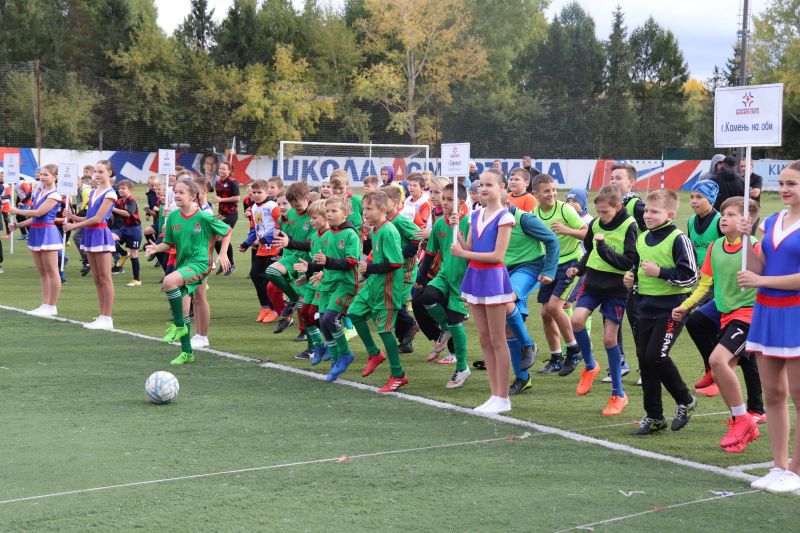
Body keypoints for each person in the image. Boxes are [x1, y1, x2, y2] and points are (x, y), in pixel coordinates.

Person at [673, 197, 763, 453]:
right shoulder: (715, 247)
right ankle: (743, 425)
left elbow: (766, 278)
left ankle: (744, 419)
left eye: (732, 215)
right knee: (722, 375)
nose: (724, 218)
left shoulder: (754, 247)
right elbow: (705, 284)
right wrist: (686, 306)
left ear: (747, 220)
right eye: (724, 214)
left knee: (717, 361)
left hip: (750, 315)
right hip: (726, 315)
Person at [739, 160, 800, 492]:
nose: (785, 189)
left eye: (793, 184)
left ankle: (796, 471)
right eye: (783, 183)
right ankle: (779, 466)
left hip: (796, 314)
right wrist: (745, 238)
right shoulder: (772, 221)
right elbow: (759, 266)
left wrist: (761, 280)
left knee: (799, 395)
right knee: (773, 394)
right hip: (767, 312)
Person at [623, 190, 698, 435]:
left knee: (656, 356)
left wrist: (661, 273)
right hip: (646, 308)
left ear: (670, 215)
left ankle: (686, 400)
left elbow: (691, 277)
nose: (647, 215)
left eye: (654, 211)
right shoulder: (643, 238)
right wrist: (631, 279)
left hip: (672, 309)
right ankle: (654, 416)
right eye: (646, 210)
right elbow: (638, 269)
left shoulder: (679, 239)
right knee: (645, 361)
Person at [567, 185, 638, 415]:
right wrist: (579, 268)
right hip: (593, 284)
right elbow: (590, 252)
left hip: (616, 289)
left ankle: (618, 395)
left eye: (605, 212)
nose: (601, 216)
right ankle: (590, 366)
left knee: (609, 340)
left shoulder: (630, 225)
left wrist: (603, 247)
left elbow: (627, 262)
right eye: (598, 211)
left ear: (617, 207)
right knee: (576, 320)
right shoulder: (596, 224)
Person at [145, 178, 232, 365]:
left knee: (169, 281)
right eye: (175, 192)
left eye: (181, 192)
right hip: (184, 264)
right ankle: (187, 352)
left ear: (193, 196)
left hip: (201, 263)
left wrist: (223, 253)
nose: (176, 195)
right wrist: (156, 248)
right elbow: (169, 243)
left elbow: (227, 231)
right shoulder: (173, 217)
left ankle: (182, 328)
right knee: (185, 307)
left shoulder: (203, 216)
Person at [451, 168, 515, 414]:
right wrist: (456, 231)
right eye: (481, 185)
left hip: (493, 279)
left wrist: (463, 253)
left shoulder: (505, 217)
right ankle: (494, 394)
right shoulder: (475, 215)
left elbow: (497, 256)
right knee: (484, 338)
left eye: (490, 184)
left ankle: (503, 397)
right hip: (475, 278)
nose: (484, 189)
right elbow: (469, 246)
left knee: (498, 339)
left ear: (501, 188)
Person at [347, 191, 409, 391]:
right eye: (363, 208)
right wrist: (369, 266)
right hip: (374, 285)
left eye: (369, 208)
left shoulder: (388, 230)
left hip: (387, 288)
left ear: (382, 210)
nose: (364, 212)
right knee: (354, 313)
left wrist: (370, 268)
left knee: (384, 330)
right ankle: (374, 353)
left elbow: (396, 263)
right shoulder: (375, 229)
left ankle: (398, 375)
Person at [414, 183, 472, 387]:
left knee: (456, 322)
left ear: (461, 203)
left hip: (463, 281)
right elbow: (430, 253)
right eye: (444, 199)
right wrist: (421, 278)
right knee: (426, 297)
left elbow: (473, 253)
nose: (444, 202)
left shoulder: (470, 223)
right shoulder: (439, 224)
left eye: (450, 200)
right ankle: (444, 330)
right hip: (445, 275)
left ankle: (462, 368)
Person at [532, 174, 588, 376]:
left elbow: (587, 233)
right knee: (545, 313)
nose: (552, 194)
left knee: (555, 306)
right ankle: (556, 358)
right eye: (547, 191)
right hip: (550, 265)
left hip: (571, 263)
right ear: (536, 194)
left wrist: (566, 230)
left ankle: (574, 350)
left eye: (554, 190)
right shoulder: (534, 214)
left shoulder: (565, 209)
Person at [503, 195, 559, 395]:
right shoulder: (485, 217)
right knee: (508, 328)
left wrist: (549, 270)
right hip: (503, 270)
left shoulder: (525, 219)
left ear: (506, 204)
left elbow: (552, 240)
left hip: (529, 267)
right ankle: (523, 378)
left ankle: (528, 345)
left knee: (505, 299)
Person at [63, 160, 118, 330]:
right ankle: (102, 315)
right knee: (97, 278)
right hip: (90, 234)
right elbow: (89, 217)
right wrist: (73, 217)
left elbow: (98, 219)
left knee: (105, 278)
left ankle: (107, 317)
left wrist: (73, 226)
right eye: (96, 171)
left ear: (109, 173)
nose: (97, 175)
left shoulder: (110, 193)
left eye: (101, 171)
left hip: (100, 235)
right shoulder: (93, 191)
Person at [312, 195, 361, 382]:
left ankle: (346, 354)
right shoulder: (326, 235)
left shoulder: (350, 234)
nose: (330, 214)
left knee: (330, 318)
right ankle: (335, 360)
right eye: (327, 211)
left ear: (345, 213)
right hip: (327, 283)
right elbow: (323, 262)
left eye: (334, 211)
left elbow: (352, 261)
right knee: (323, 321)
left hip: (344, 284)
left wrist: (327, 262)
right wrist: (314, 271)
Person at [274, 199, 329, 361]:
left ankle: (336, 348)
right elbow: (316, 260)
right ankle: (319, 347)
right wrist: (307, 275)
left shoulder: (331, 236)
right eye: (310, 217)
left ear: (326, 217)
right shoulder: (315, 235)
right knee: (306, 312)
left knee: (324, 317)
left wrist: (320, 273)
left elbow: (333, 261)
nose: (310, 221)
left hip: (327, 283)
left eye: (314, 218)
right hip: (313, 279)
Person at [8, 164, 63, 316]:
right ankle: (45, 304)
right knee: (42, 272)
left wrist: (16, 211)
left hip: (48, 233)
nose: (42, 177)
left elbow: (39, 213)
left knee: (52, 271)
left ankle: (52, 305)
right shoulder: (39, 192)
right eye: (41, 174)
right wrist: (18, 225)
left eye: (46, 175)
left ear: (55, 177)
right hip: (36, 232)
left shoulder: (55, 195)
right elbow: (35, 218)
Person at [381, 185, 422, 353]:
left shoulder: (400, 220)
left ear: (396, 202)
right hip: (393, 270)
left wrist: (403, 254)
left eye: (384, 200)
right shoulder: (385, 222)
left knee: (396, 303)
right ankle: (405, 341)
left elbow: (417, 235)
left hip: (406, 270)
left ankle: (412, 324)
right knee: (394, 303)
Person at [239, 180, 281, 324]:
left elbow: (280, 227)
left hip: (275, 248)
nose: (256, 195)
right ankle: (265, 306)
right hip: (262, 249)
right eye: (254, 192)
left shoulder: (272, 206)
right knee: (255, 274)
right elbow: (254, 229)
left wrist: (264, 239)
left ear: (267, 193)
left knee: (271, 278)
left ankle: (276, 308)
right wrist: (246, 243)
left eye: (259, 192)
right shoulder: (254, 207)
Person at [109, 180, 143, 286]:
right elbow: (113, 214)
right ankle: (124, 254)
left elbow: (128, 213)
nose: (120, 190)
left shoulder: (131, 200)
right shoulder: (119, 201)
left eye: (123, 188)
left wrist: (112, 208)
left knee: (134, 255)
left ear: (130, 189)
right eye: (119, 188)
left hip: (134, 230)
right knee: (108, 239)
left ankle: (137, 280)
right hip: (124, 228)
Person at [212, 161, 239, 275]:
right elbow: (219, 197)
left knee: (222, 237)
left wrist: (221, 200)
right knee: (216, 239)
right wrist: (216, 201)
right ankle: (224, 264)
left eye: (224, 169)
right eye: (220, 168)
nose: (221, 170)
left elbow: (237, 198)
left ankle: (231, 264)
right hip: (221, 214)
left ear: (229, 170)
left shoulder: (233, 182)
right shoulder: (218, 182)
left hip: (231, 214)